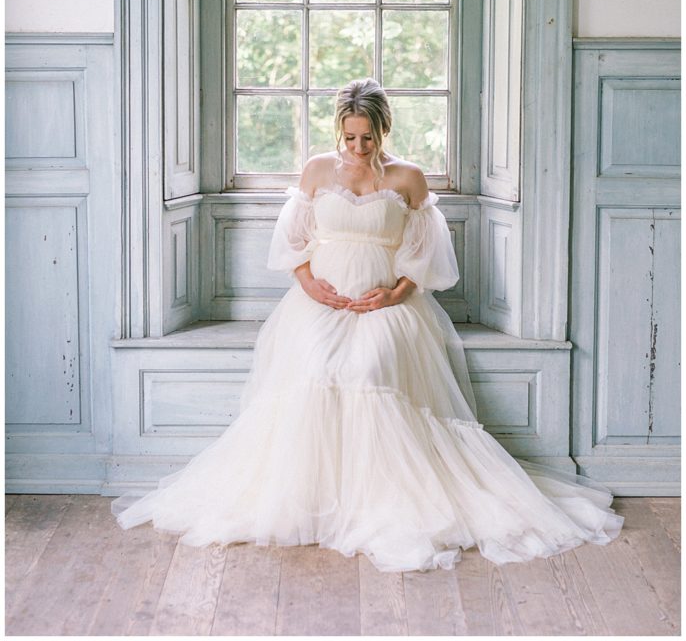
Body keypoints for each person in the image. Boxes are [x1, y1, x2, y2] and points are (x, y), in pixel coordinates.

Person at [113, 78, 623, 572]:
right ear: (339, 130)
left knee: (371, 371)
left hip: (389, 306)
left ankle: (380, 498)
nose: (358, 147)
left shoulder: (407, 179)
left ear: (384, 131)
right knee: (315, 370)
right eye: (350, 136)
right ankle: (312, 497)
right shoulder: (317, 170)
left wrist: (394, 294)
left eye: (368, 137)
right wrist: (312, 287)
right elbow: (294, 244)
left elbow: (424, 258)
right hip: (321, 304)